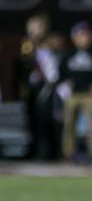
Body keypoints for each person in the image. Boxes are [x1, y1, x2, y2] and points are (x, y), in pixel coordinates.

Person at [59, 21, 92, 161]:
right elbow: (61, 75)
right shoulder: (68, 55)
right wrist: (65, 86)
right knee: (69, 123)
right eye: (80, 35)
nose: (84, 38)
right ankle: (68, 153)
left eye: (86, 35)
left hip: (91, 94)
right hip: (73, 94)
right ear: (74, 37)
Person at [14, 13, 61, 160]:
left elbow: (54, 65)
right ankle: (34, 150)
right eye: (31, 28)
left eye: (37, 27)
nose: (34, 31)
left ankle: (50, 152)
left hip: (48, 86)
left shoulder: (52, 44)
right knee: (32, 120)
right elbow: (22, 67)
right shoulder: (27, 46)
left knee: (47, 120)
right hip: (33, 88)